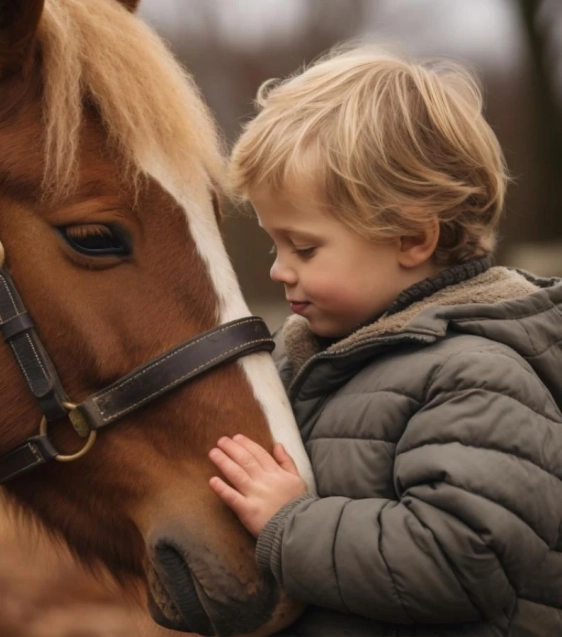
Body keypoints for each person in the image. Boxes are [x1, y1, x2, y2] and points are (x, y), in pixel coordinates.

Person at [208, 45, 562, 636]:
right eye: (275, 245)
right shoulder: (305, 357)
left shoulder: (477, 376)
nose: (277, 270)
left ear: (411, 239)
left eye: (305, 247)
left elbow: (460, 560)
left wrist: (289, 524)